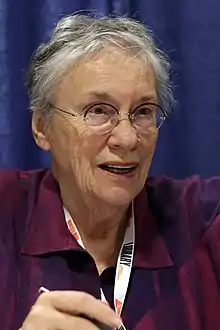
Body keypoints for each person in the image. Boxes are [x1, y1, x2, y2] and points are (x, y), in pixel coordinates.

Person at [0, 12, 220, 330]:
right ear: (41, 128)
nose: (128, 138)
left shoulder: (201, 219)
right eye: (98, 111)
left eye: (143, 111)